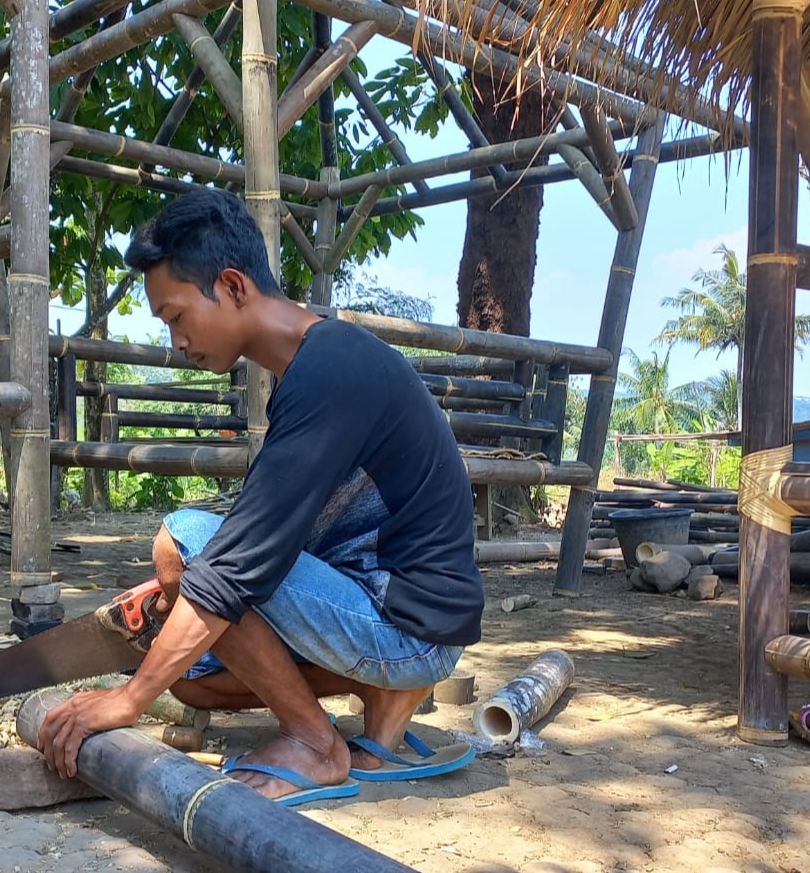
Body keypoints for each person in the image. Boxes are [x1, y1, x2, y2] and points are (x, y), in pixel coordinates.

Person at [38, 190, 485, 805]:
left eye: (174, 316)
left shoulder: (332, 371)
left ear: (232, 285)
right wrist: (179, 604)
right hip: (402, 610)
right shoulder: (315, 364)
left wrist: (129, 698)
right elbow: (278, 527)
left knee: (179, 542)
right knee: (195, 681)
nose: (176, 343)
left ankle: (314, 743)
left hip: (408, 626)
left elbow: (235, 562)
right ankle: (384, 700)